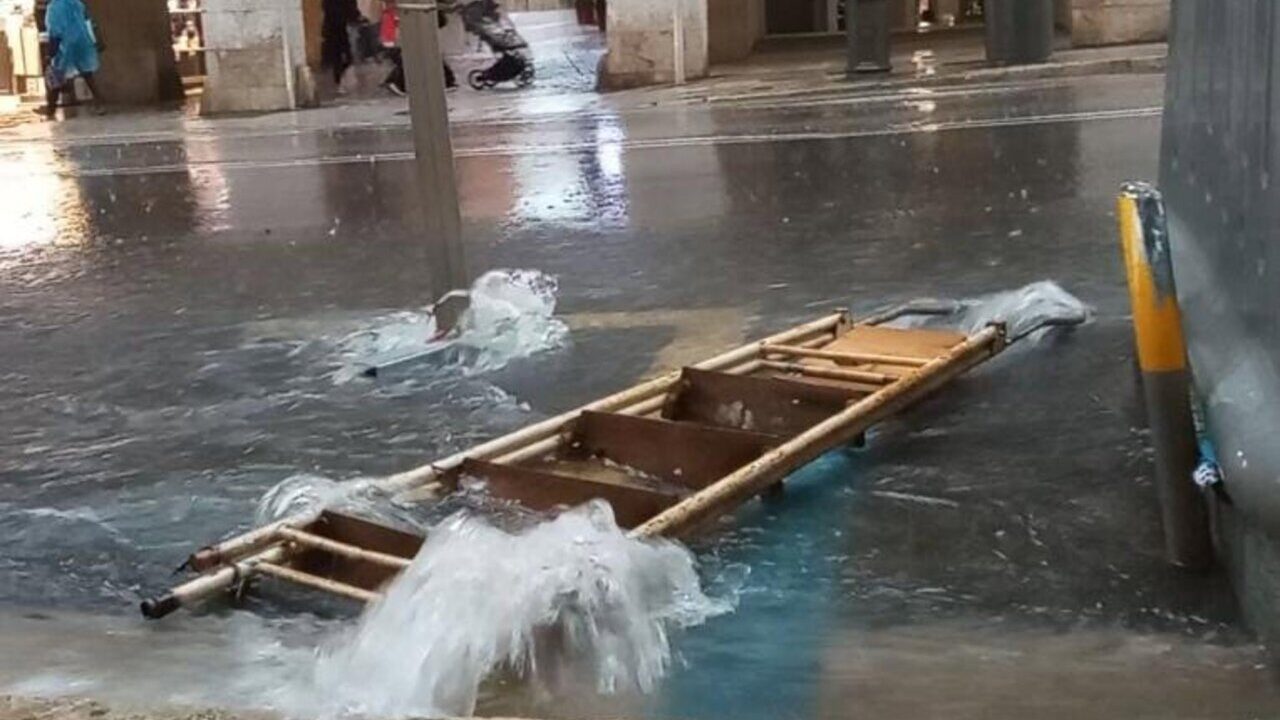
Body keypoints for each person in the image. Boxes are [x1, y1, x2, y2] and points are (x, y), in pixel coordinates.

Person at [39, 0, 103, 117]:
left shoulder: (53, 8)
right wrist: (95, 41)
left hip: (65, 45)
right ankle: (100, 103)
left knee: (56, 77)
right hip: (83, 41)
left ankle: (50, 110)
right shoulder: (77, 3)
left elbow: (55, 32)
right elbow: (88, 22)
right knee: (88, 74)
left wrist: (50, 54)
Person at [380, 0, 455, 97]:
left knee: (422, 53)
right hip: (417, 18)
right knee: (420, 53)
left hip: (420, 17)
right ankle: (396, 81)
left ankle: (447, 80)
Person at [322, 0, 361, 88]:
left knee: (337, 53)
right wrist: (356, 16)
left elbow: (325, 8)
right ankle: (343, 75)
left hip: (333, 27)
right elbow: (351, 8)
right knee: (345, 51)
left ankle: (339, 78)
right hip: (342, 26)